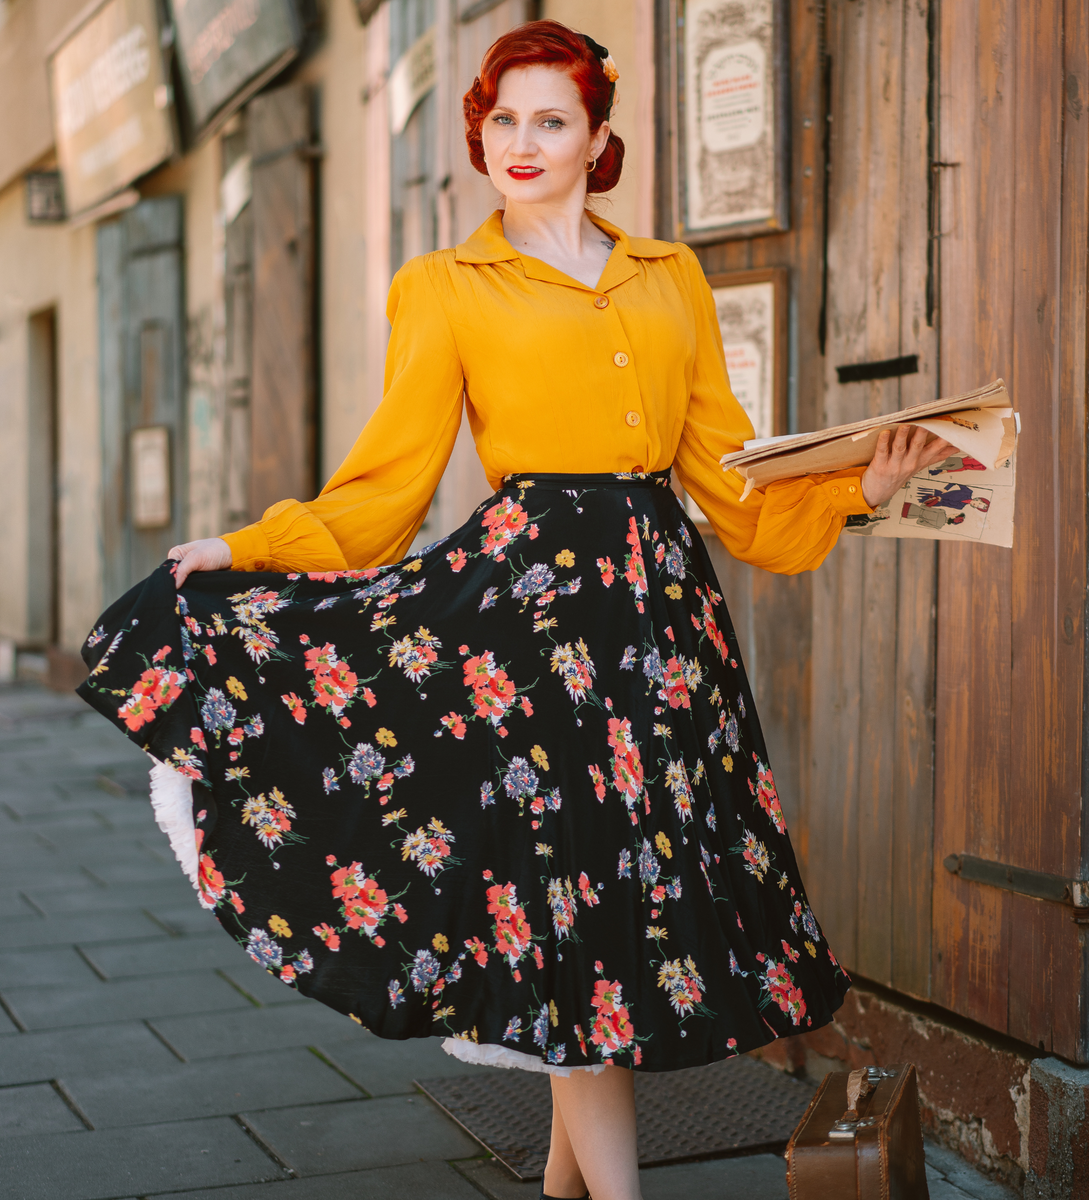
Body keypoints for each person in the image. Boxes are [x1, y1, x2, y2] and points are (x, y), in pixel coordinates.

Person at [76, 22, 955, 1200]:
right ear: (479, 138)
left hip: (658, 629)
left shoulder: (671, 277)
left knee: (608, 911)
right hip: (529, 631)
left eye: (552, 121)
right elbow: (385, 489)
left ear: (599, 139)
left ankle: (558, 1184)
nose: (524, 144)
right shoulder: (442, 287)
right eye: (503, 122)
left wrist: (862, 488)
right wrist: (241, 550)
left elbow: (733, 483)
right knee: (580, 928)